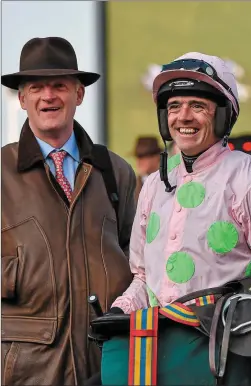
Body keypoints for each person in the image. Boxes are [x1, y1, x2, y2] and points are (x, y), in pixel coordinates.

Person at [106, 52, 251, 384]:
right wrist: (120, 310)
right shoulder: (153, 185)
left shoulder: (248, 177)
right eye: (173, 106)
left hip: (223, 360)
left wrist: (236, 324)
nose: (184, 117)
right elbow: (143, 280)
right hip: (158, 357)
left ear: (223, 115)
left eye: (198, 106)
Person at [1, 37, 136, 385]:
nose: (48, 96)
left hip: (107, 361)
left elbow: (139, 258)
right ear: (22, 98)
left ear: (79, 95)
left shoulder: (115, 171)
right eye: (36, 87)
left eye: (60, 85)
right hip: (26, 368)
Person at [133, 136, 162, 201]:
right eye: (138, 156)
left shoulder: (169, 181)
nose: (139, 161)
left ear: (157, 157)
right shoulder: (131, 186)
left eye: (144, 156)